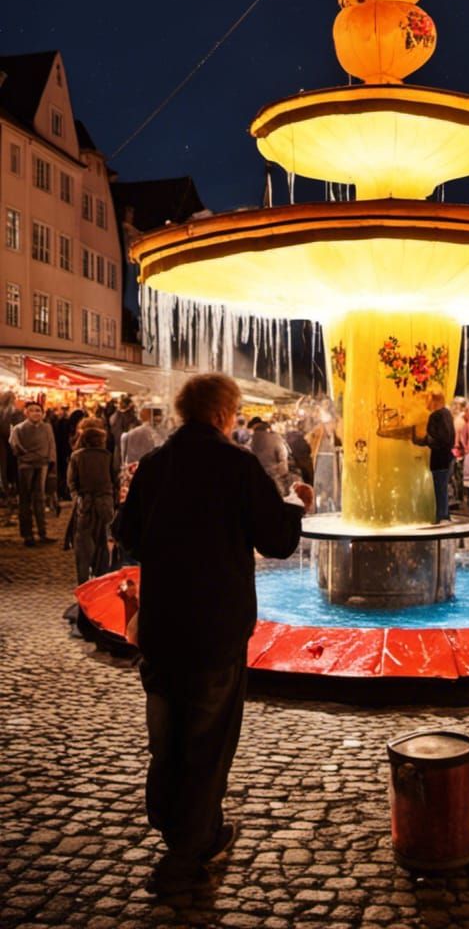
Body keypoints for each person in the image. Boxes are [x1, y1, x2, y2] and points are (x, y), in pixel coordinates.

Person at [114, 373, 313, 897]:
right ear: (225, 413)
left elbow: (127, 534)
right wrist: (297, 505)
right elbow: (276, 541)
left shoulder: (157, 464)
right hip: (214, 628)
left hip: (162, 625)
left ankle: (190, 829)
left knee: (169, 735)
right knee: (206, 738)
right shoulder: (236, 465)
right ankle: (184, 856)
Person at [68, 423, 116, 583]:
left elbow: (72, 482)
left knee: (83, 543)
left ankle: (83, 581)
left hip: (85, 504)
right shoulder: (108, 456)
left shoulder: (76, 456)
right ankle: (101, 579)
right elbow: (115, 478)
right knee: (103, 541)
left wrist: (77, 498)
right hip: (104, 502)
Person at [9, 402, 57, 547]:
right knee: (25, 499)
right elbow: (15, 446)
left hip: (42, 464)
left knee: (40, 499)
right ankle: (27, 534)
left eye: (38, 410)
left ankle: (42, 532)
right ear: (26, 412)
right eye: (32, 410)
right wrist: (27, 455)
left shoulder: (47, 427)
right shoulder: (19, 428)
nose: (36, 413)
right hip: (26, 466)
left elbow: (51, 445)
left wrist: (52, 464)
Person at [412, 389, 455, 523]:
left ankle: (441, 515)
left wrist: (421, 439)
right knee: (442, 487)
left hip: (439, 459)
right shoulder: (447, 414)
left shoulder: (436, 416)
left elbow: (438, 438)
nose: (427, 403)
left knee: (439, 488)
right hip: (447, 458)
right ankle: (444, 513)